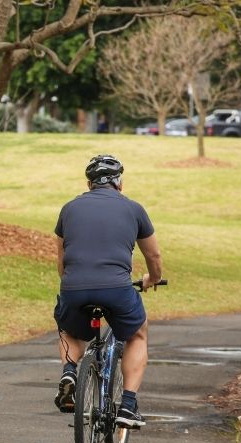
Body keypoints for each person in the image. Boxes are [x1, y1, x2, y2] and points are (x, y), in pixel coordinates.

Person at [52, 154, 162, 428]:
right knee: (138, 333)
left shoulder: (69, 209)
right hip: (116, 289)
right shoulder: (134, 209)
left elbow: (61, 260)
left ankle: (69, 373)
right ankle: (127, 406)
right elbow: (154, 256)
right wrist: (152, 279)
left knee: (69, 330)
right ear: (119, 183)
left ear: (89, 183)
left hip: (74, 286)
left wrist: (73, 286)